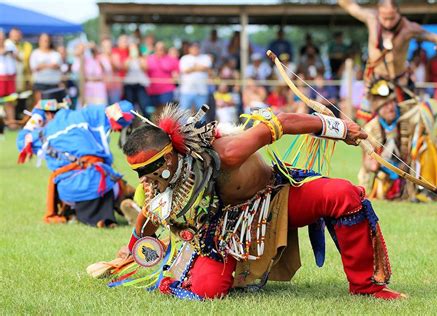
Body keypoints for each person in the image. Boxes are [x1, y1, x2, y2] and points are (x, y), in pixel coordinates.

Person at [104, 102, 406, 300]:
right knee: (208, 290)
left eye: (148, 169)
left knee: (343, 194)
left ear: (169, 156)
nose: (144, 178)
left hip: (275, 197)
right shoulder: (163, 182)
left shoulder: (228, 152)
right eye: (138, 172)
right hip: (222, 233)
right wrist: (130, 249)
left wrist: (340, 129)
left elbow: (283, 121)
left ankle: (366, 286)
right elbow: (151, 212)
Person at [16, 88, 136, 227]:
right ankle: (122, 203)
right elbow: (126, 108)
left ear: (47, 113)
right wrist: (119, 121)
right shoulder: (88, 114)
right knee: (114, 184)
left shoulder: (44, 134)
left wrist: (37, 114)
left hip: (71, 192)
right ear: (66, 103)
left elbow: (22, 141)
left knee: (68, 187)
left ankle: (96, 219)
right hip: (102, 182)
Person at [338, 0, 437, 112]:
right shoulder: (371, 19)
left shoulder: (408, 28)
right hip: (377, 79)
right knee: (373, 120)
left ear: (398, 13)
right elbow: (348, 5)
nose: (388, 23)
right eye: (385, 18)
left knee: (407, 119)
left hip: (401, 80)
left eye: (392, 18)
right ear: (379, 12)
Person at [358, 94, 437, 202]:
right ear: (378, 109)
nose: (390, 107)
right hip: (386, 175)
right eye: (385, 105)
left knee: (426, 143)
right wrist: (376, 165)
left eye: (391, 103)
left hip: (409, 171)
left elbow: (428, 113)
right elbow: (367, 165)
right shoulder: (370, 129)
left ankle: (426, 190)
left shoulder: (408, 119)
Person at [146, 41, 179, 113]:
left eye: (161, 49)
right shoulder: (149, 58)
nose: (159, 50)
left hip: (167, 90)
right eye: (157, 49)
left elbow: (176, 72)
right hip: (152, 90)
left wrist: (175, 77)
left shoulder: (171, 59)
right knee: (154, 111)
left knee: (165, 110)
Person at [179, 42, 211, 112]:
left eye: (197, 48)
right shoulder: (184, 58)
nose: (195, 50)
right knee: (183, 113)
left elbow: (206, 68)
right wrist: (198, 67)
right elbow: (185, 70)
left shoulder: (205, 58)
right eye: (193, 48)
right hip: (186, 90)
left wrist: (192, 68)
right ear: (189, 49)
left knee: (202, 114)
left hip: (202, 91)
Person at [29, 33, 62, 103]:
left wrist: (42, 65)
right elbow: (34, 68)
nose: (45, 42)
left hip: (53, 85)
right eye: (43, 40)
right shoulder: (35, 53)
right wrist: (50, 65)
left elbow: (57, 66)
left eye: (47, 40)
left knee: (53, 108)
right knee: (40, 106)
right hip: (40, 84)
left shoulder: (55, 54)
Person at [0, 30, 18, 130]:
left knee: (10, 101)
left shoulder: (10, 45)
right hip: (0, 78)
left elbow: (18, 57)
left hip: (10, 78)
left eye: (2, 37)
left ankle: (11, 123)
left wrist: (10, 52)